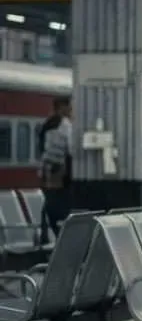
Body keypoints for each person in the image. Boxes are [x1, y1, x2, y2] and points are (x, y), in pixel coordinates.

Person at [37, 96, 72, 238]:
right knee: (58, 207)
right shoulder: (63, 125)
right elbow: (71, 149)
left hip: (47, 171)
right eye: (69, 106)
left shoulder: (48, 124)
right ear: (61, 107)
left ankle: (46, 233)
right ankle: (58, 238)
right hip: (58, 172)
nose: (71, 110)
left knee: (50, 204)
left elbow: (42, 147)